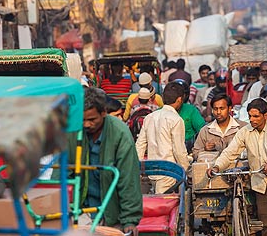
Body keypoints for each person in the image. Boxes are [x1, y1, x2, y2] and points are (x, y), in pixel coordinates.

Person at [208, 99, 267, 236]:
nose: (252, 120)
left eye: (256, 116)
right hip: (261, 182)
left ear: (266, 115)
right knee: (266, 223)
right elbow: (230, 152)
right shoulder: (245, 131)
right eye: (250, 116)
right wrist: (217, 166)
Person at [54, 87, 142, 234]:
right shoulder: (72, 131)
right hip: (79, 211)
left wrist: (129, 219)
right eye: (82, 120)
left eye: (92, 119)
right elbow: (61, 172)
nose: (87, 124)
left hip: (110, 212)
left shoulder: (120, 134)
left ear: (104, 113)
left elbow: (128, 179)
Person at [136, 81, 190, 194]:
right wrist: (186, 170)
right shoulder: (176, 120)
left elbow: (140, 145)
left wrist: (138, 168)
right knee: (163, 206)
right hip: (168, 171)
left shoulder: (150, 117)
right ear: (180, 99)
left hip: (151, 171)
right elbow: (179, 150)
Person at [192, 94, 246, 161]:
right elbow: (195, 153)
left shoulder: (242, 127)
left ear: (229, 109)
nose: (218, 112)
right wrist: (205, 149)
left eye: (222, 108)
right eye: (215, 109)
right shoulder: (205, 130)